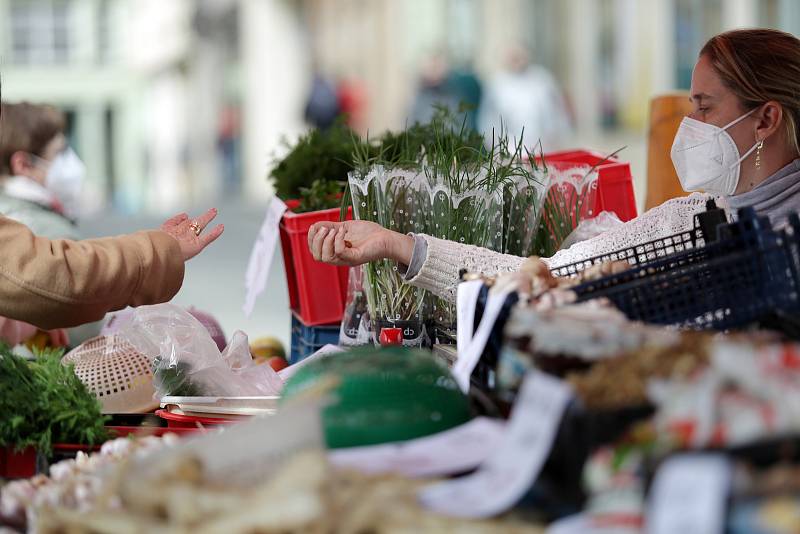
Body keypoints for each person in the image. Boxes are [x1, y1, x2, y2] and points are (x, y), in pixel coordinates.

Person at [308, 28, 800, 304]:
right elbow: (546, 275)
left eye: (705, 107)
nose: (689, 124)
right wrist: (402, 246)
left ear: (766, 120)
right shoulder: (689, 218)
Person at [0, 86, 224, 330]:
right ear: (23, 164)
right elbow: (58, 277)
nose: (71, 162)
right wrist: (159, 250)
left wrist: (17, 330)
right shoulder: (37, 222)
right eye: (60, 153)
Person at [478, 44, 571, 150]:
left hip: (544, 146)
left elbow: (557, 111)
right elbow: (489, 119)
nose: (517, 60)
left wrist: (558, 136)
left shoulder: (542, 79)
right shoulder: (497, 84)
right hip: (510, 149)